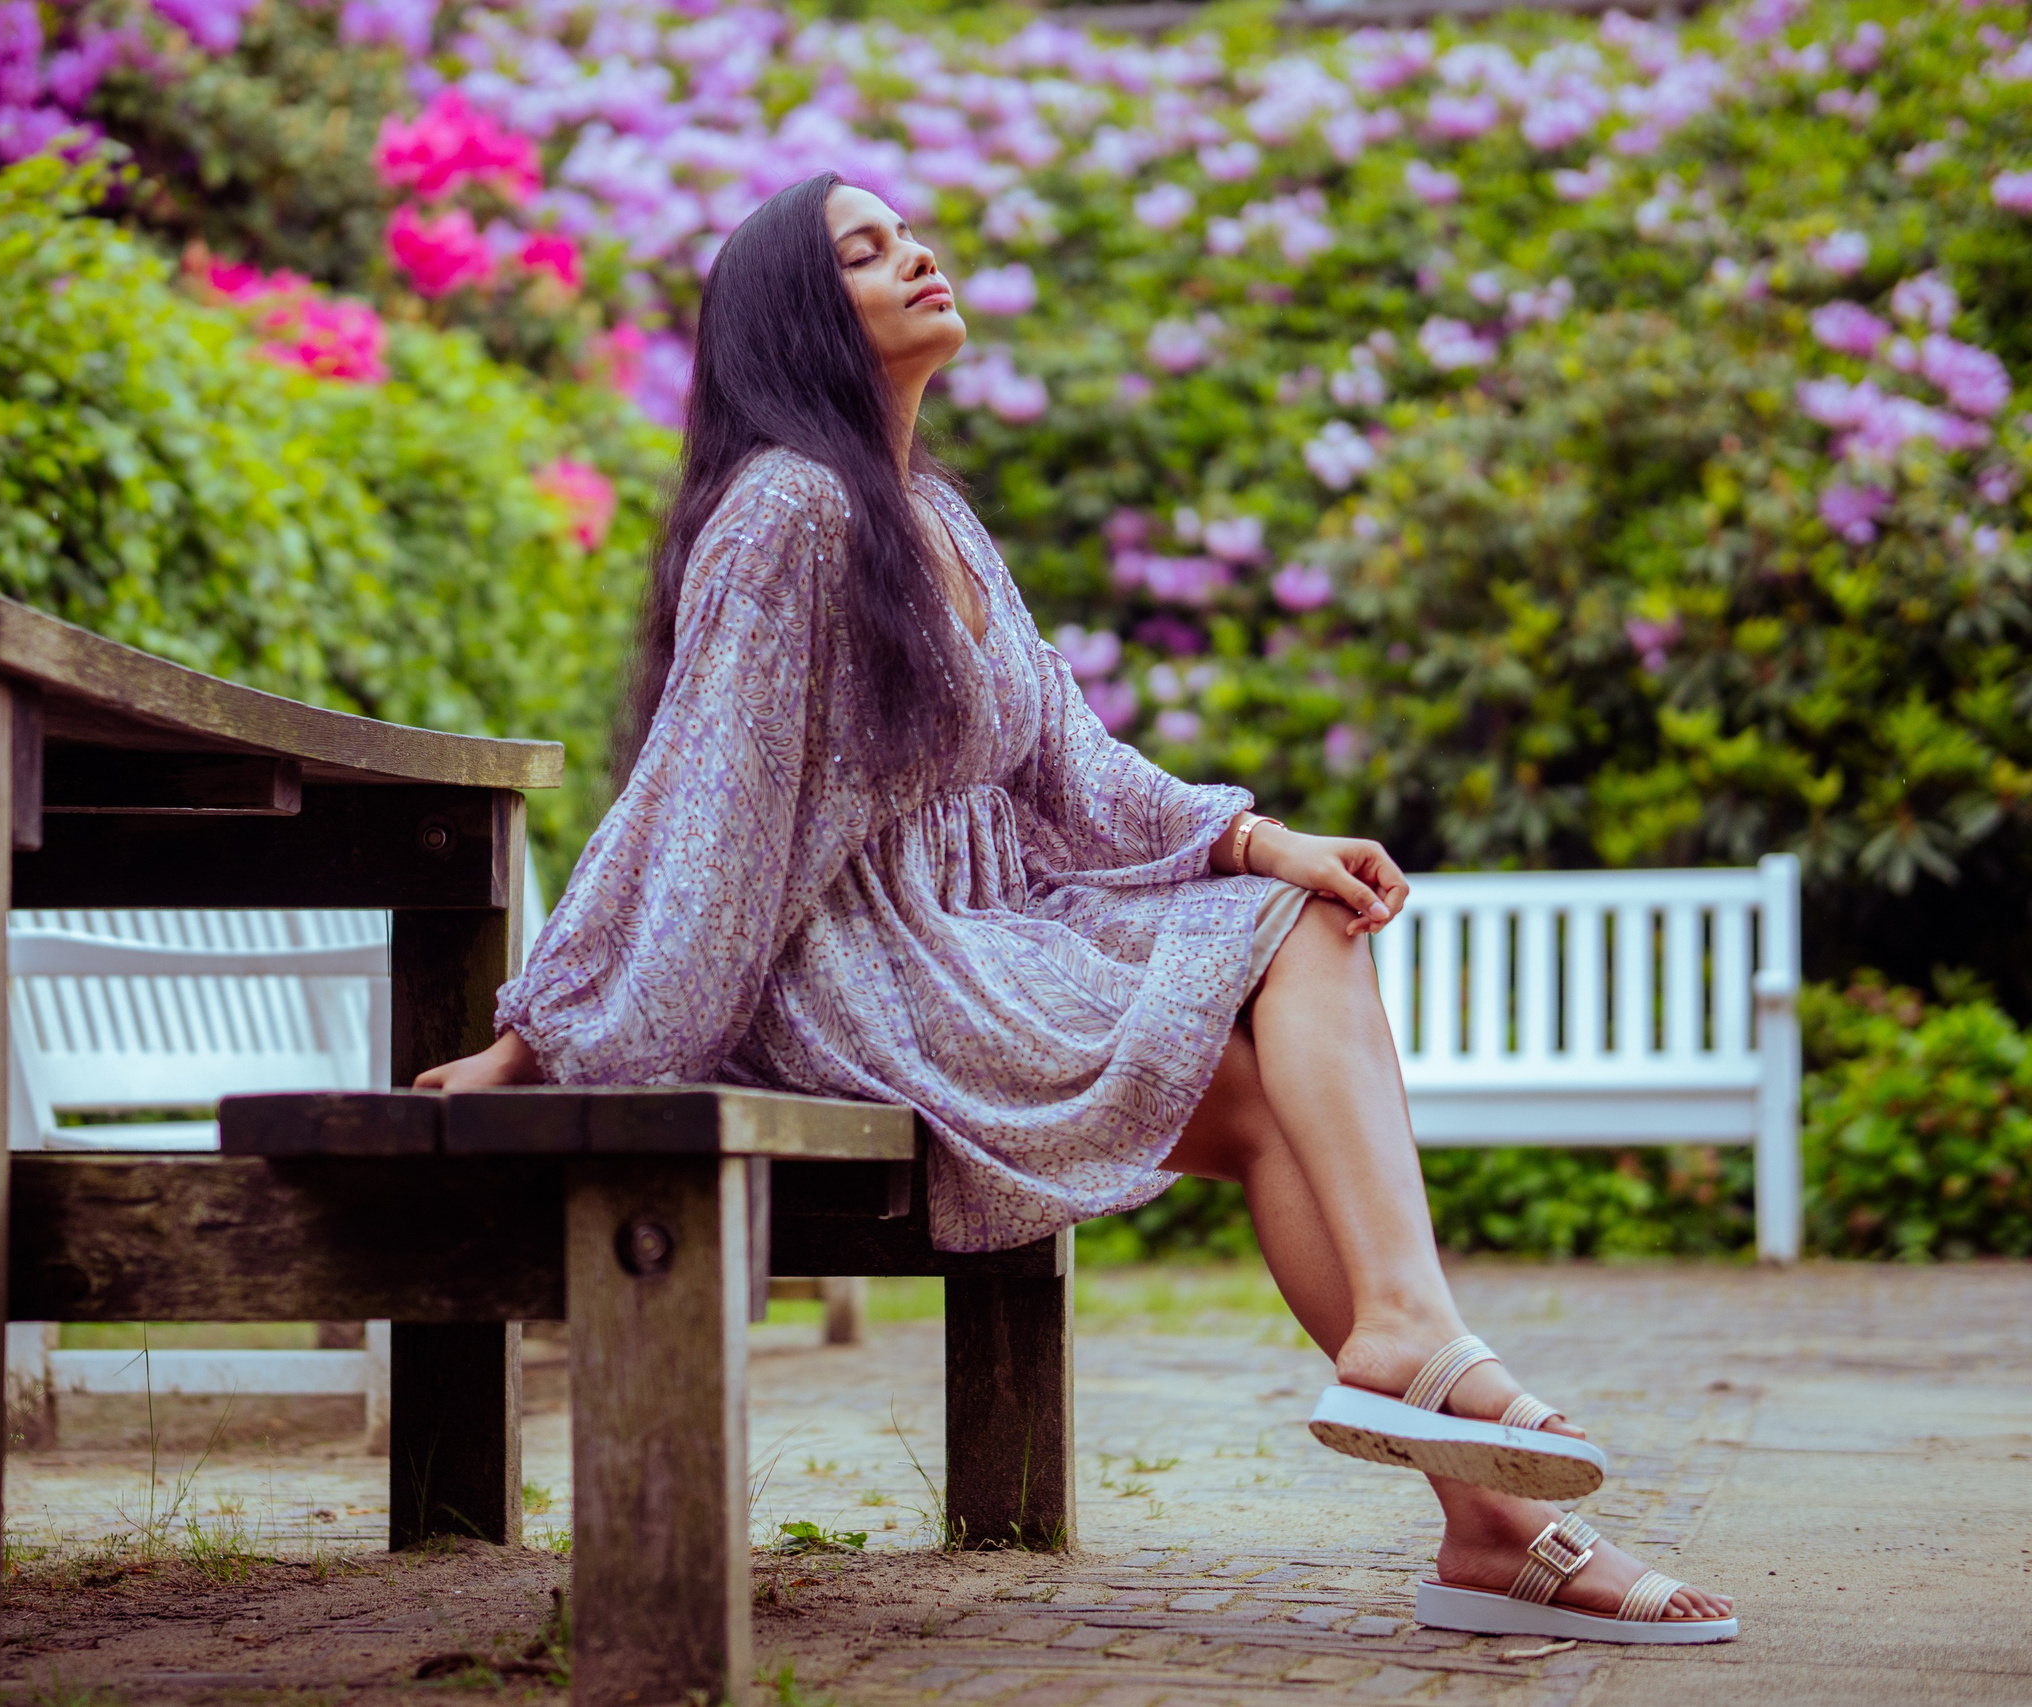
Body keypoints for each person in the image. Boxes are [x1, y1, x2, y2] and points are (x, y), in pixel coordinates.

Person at [417, 172, 1735, 1644]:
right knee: (1276, 941)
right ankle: (1433, 1376)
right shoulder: (785, 515)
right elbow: (687, 805)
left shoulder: (934, 515)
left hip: (971, 946)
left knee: (1262, 1060)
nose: (917, 255)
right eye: (867, 252)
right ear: (802, 318)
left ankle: (1478, 1501)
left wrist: (1259, 836)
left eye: (909, 231)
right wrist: (538, 1038)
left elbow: (1068, 766)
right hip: (850, 979)